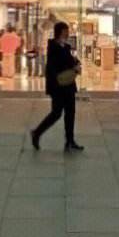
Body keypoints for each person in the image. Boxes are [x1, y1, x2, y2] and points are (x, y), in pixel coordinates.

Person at [30, 21, 84, 152]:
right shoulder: (53, 47)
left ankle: (70, 141)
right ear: (60, 32)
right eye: (66, 31)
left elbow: (71, 60)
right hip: (58, 86)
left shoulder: (66, 46)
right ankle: (37, 133)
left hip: (68, 85)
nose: (68, 33)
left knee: (70, 112)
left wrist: (76, 63)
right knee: (56, 113)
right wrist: (73, 66)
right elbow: (57, 65)